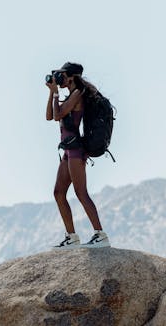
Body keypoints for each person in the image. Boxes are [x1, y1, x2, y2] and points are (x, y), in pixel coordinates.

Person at [45, 62, 111, 250]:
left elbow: (59, 115)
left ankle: (100, 234)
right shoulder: (69, 95)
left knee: (81, 193)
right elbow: (50, 116)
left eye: (62, 76)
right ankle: (71, 236)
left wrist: (56, 92)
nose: (60, 79)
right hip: (67, 150)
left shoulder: (77, 95)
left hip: (75, 151)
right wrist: (52, 92)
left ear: (72, 77)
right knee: (58, 193)